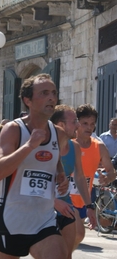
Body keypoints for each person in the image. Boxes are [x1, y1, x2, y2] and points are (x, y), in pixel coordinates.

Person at [0, 74, 69, 258]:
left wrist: (60, 173)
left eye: (53, 92)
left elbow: (54, 157)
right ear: (28, 100)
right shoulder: (14, 130)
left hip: (44, 221)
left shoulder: (57, 133)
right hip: (12, 221)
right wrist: (29, 146)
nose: (51, 97)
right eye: (44, 93)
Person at [50, 104, 97, 257]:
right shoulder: (45, 145)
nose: (78, 125)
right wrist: (53, 201)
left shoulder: (74, 146)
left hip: (65, 202)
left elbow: (79, 177)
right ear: (61, 125)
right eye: (74, 121)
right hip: (43, 205)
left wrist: (89, 206)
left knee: (79, 234)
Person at [71, 104, 116, 245]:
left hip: (84, 200)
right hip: (64, 198)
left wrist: (107, 177)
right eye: (85, 123)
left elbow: (111, 172)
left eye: (92, 124)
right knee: (76, 233)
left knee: (77, 237)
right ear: (76, 123)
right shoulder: (68, 144)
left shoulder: (99, 146)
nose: (89, 127)